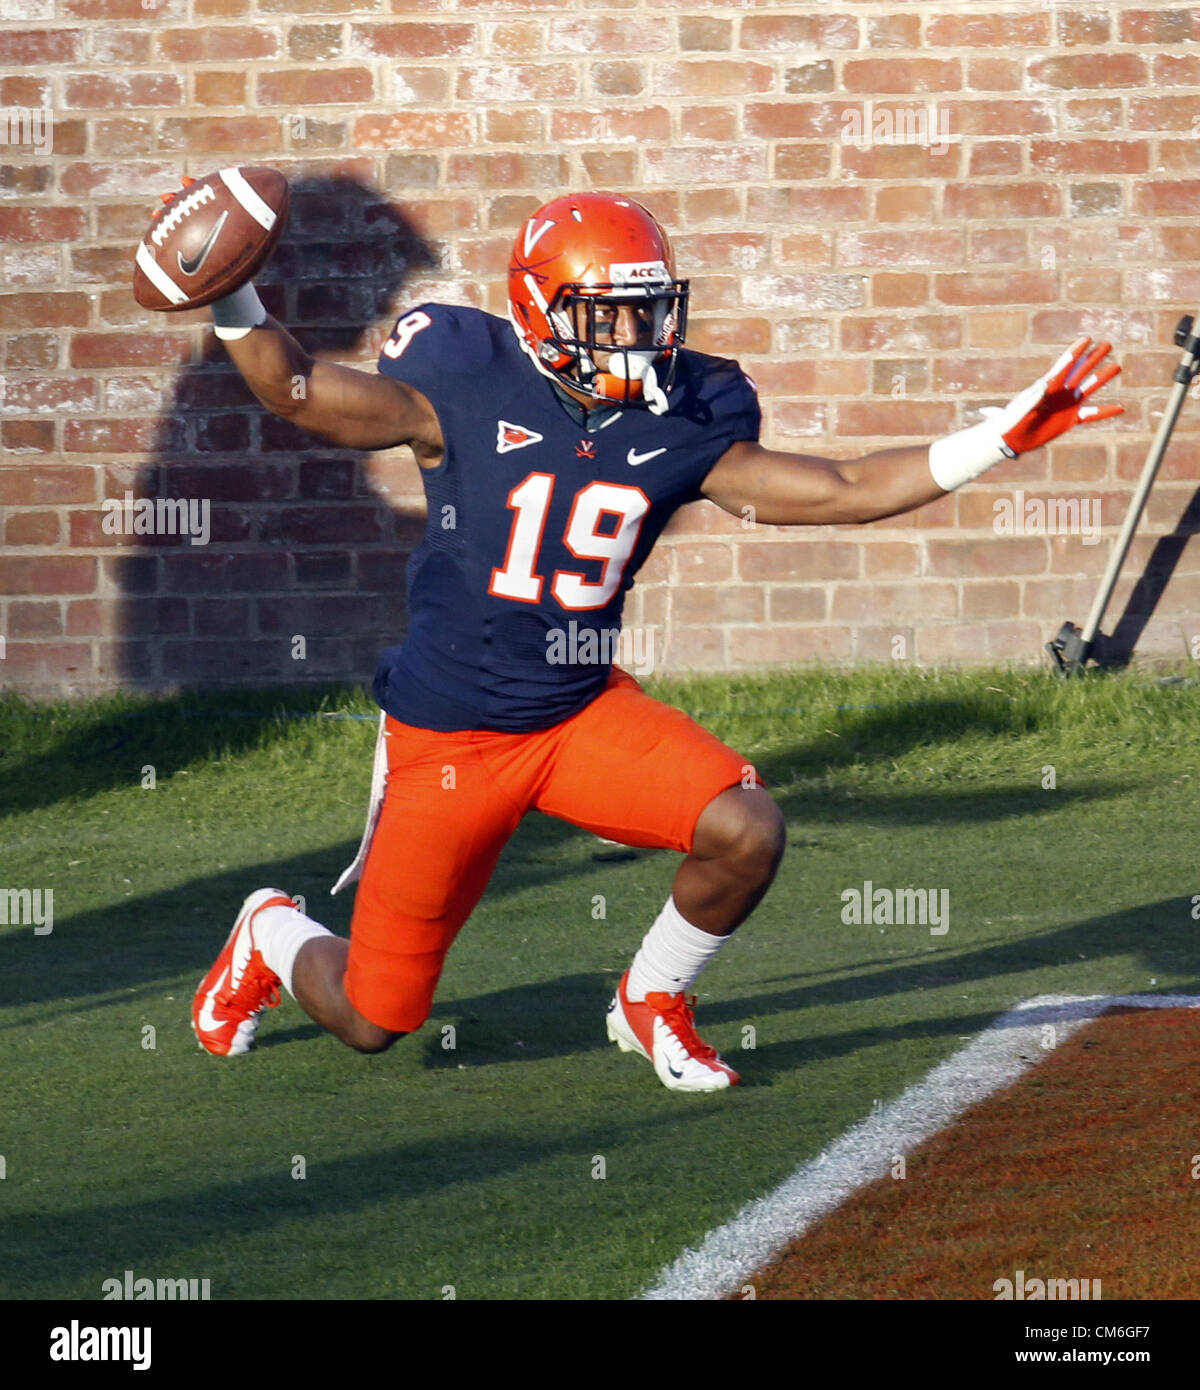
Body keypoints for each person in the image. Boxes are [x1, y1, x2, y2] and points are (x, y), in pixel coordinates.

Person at [186, 191, 1122, 1091]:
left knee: (745, 830)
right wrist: (231, 286)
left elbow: (840, 488)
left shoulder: (690, 408)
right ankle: (271, 931)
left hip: (577, 711)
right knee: (372, 1020)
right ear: (541, 311)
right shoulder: (460, 378)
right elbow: (297, 389)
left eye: (648, 309)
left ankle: (652, 997)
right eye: (611, 315)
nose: (639, 335)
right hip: (451, 740)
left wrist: (996, 439)